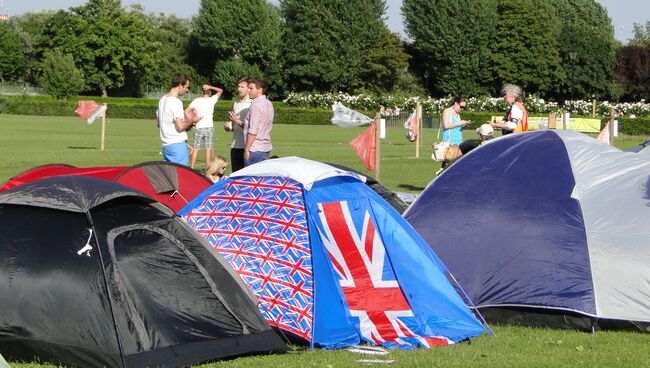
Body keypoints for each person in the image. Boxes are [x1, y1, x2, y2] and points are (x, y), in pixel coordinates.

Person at [157, 73, 201, 166]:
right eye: (186, 87)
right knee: (180, 178)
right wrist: (192, 120)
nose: (187, 90)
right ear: (180, 85)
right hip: (177, 147)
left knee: (169, 178)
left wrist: (189, 124)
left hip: (166, 146)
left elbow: (159, 124)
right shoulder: (176, 102)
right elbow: (180, 126)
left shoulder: (162, 100)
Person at [189, 84, 224, 169]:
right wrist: (211, 87)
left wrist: (191, 122)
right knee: (208, 148)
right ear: (210, 92)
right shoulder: (211, 99)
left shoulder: (196, 100)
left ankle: (192, 167)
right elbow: (220, 90)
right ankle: (207, 168)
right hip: (209, 127)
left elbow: (187, 110)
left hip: (198, 127)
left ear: (202, 92)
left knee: (196, 148)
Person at [243, 78, 274, 166]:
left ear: (260, 89)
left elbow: (253, 131)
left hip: (254, 149)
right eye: (248, 88)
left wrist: (246, 149)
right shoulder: (268, 103)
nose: (248, 91)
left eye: (251, 88)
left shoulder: (256, 105)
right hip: (265, 148)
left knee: (250, 179)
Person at [226, 76, 252, 172]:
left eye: (242, 87)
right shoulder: (236, 103)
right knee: (236, 176)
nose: (239, 89)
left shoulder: (252, 104)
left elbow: (252, 128)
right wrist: (229, 127)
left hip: (247, 147)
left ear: (248, 88)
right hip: (235, 146)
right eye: (238, 86)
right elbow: (233, 125)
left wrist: (237, 122)